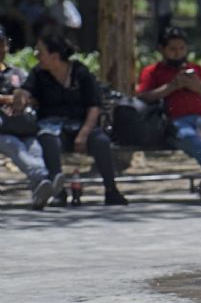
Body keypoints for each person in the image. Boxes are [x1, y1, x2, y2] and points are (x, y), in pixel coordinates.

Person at [13, 32, 128, 206]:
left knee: (101, 141)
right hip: (52, 126)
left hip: (81, 125)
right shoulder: (38, 74)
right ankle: (58, 191)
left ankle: (111, 190)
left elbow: (94, 105)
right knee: (48, 138)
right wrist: (20, 96)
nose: (37, 57)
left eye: (40, 53)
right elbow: (25, 90)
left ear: (54, 56)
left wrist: (83, 134)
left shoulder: (80, 72)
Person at [136, 26, 201, 206]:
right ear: (162, 50)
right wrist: (172, 86)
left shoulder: (198, 70)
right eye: (173, 49)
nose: (178, 53)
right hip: (175, 123)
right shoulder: (153, 71)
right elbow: (143, 96)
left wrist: (198, 88)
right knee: (193, 141)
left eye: (181, 49)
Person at [0, 26, 64, 209]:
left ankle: (40, 194)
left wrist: (25, 100)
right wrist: (9, 99)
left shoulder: (17, 73)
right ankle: (47, 178)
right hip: (3, 130)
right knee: (15, 147)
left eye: (1, 44)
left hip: (24, 125)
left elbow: (36, 94)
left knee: (36, 149)